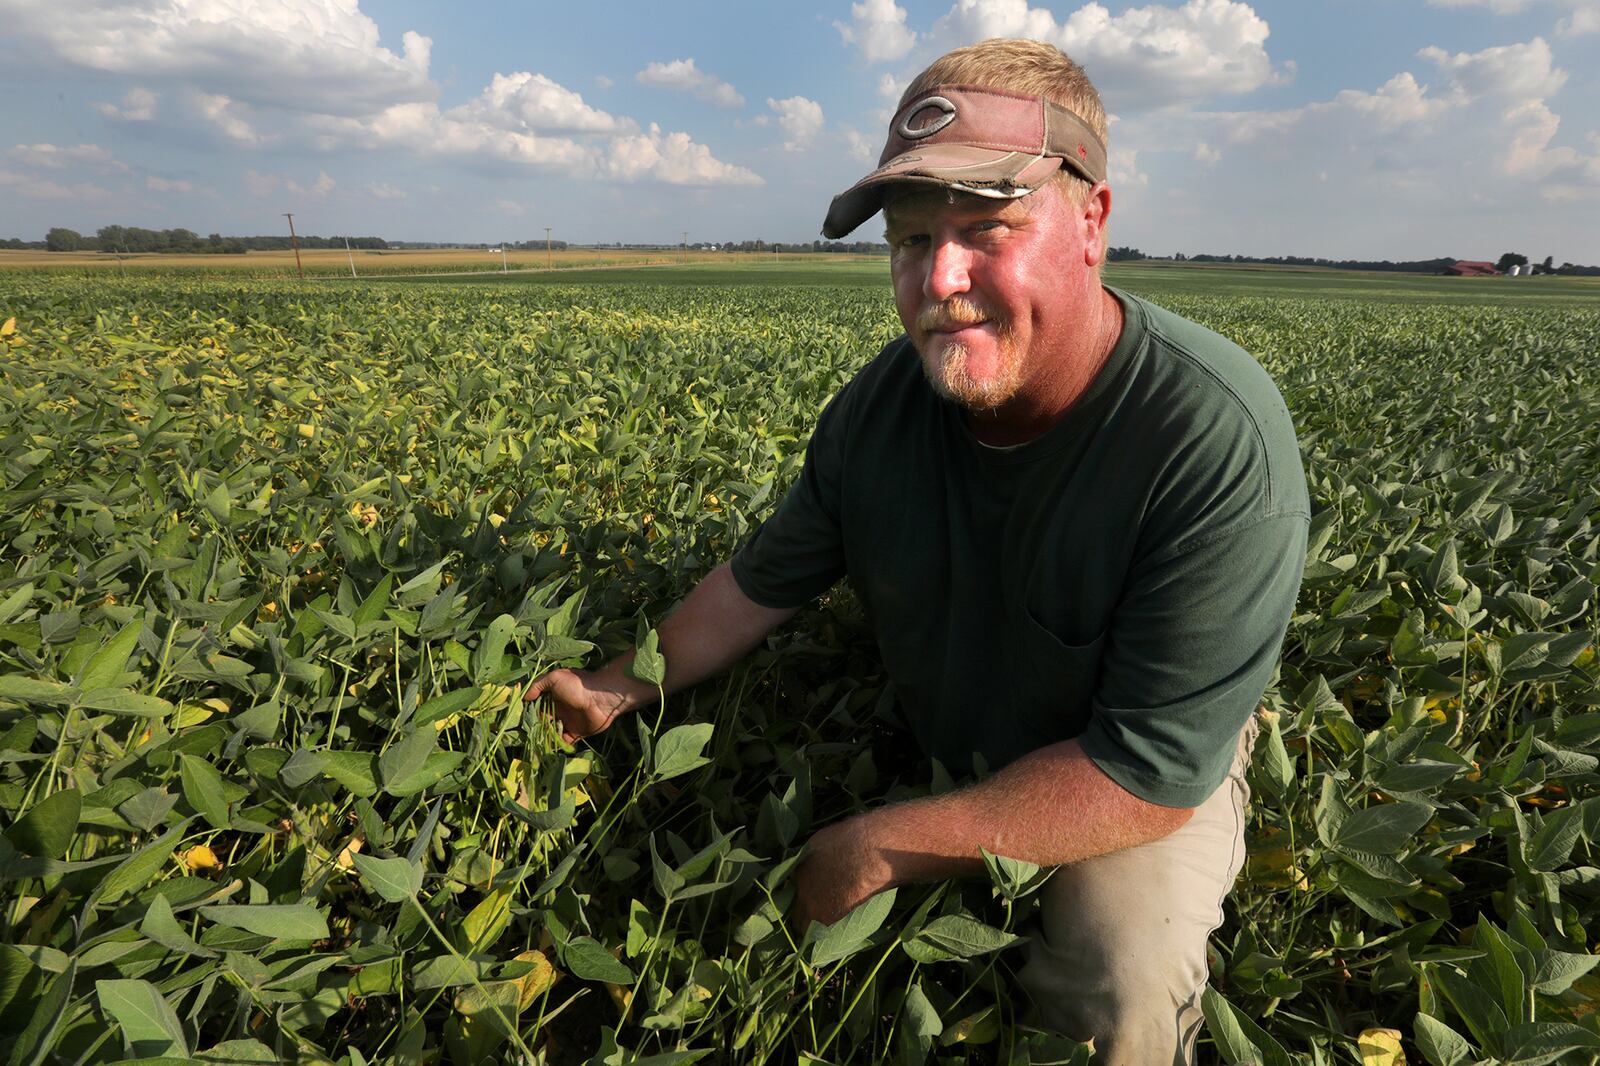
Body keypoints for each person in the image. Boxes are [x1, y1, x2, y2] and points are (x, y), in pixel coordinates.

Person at [527, 37, 1308, 1065]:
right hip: (976, 735)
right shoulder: (880, 412)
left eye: (987, 227)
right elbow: (760, 583)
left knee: (1113, 981)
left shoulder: (1209, 438)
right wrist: (619, 687)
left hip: (1131, 756)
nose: (940, 278)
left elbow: (1147, 767)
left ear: (1091, 223)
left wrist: (874, 845)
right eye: (909, 238)